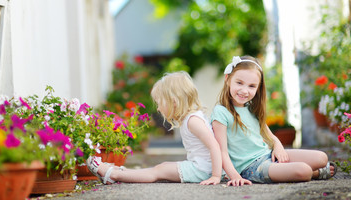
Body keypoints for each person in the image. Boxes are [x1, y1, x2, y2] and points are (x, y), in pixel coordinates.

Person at [211, 55, 337, 186]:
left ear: (258, 88)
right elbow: (222, 151)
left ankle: (290, 169)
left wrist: (278, 147)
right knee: (303, 171)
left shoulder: (251, 108)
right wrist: (235, 176)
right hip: (251, 168)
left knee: (322, 158)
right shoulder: (221, 112)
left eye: (252, 86)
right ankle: (315, 173)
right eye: (239, 83)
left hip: (269, 155)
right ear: (227, 79)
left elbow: (269, 136)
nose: (244, 90)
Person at [87, 71, 222, 185]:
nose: (157, 108)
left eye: (159, 103)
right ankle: (118, 172)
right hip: (201, 167)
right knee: (160, 168)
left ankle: (114, 174)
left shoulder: (193, 121)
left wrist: (216, 176)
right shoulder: (191, 118)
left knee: (158, 171)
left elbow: (214, 146)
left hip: (202, 170)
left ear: (174, 102)